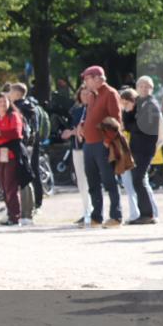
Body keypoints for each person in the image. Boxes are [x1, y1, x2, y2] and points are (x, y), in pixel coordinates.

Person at [79, 66, 123, 228]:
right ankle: (96, 217)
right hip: (89, 144)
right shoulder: (93, 95)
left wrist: (107, 140)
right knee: (92, 181)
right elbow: (92, 117)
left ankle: (116, 216)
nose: (85, 82)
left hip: (102, 144)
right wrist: (83, 124)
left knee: (109, 180)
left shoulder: (110, 93)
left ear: (97, 78)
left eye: (87, 79)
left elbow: (116, 120)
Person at [0, 92, 32, 226]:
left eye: (4, 101)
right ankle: (10, 214)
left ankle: (15, 217)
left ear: (8, 103)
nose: (2, 104)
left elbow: (16, 133)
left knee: (11, 186)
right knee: (3, 186)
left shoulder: (14, 116)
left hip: (11, 155)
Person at [121, 79, 161, 224]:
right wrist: (128, 109)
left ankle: (148, 214)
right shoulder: (139, 104)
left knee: (138, 179)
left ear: (152, 88)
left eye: (147, 86)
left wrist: (131, 121)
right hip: (137, 147)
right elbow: (127, 125)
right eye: (141, 86)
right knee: (137, 180)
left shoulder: (151, 104)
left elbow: (141, 127)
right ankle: (145, 213)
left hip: (145, 149)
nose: (144, 89)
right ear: (137, 88)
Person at [7, 83, 43, 213]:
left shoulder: (23, 106)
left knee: (30, 172)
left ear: (17, 94)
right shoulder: (28, 105)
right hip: (29, 143)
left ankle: (34, 204)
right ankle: (33, 203)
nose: (8, 94)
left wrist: (12, 105)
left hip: (27, 144)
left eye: (10, 92)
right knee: (31, 171)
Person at [60, 86, 93, 224]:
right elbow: (70, 129)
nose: (85, 96)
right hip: (76, 148)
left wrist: (73, 132)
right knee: (81, 181)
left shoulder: (94, 110)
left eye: (87, 94)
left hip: (90, 147)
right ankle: (87, 210)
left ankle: (93, 211)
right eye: (83, 94)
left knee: (91, 179)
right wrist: (68, 132)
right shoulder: (76, 111)